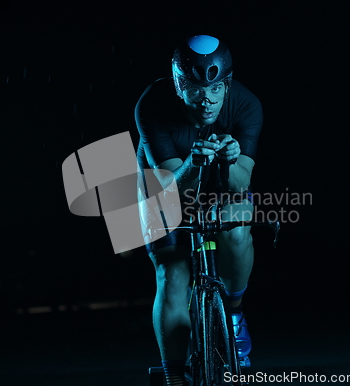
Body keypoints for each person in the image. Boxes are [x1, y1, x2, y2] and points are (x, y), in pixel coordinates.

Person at [135, 35, 263, 386]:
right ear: (178, 85)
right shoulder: (151, 105)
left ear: (227, 85)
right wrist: (194, 162)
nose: (206, 100)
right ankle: (175, 375)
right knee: (172, 273)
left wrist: (232, 158)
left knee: (238, 228)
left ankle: (234, 314)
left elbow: (239, 185)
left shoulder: (247, 105)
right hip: (166, 179)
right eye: (194, 89)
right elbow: (170, 192)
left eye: (215, 90)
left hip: (218, 181)